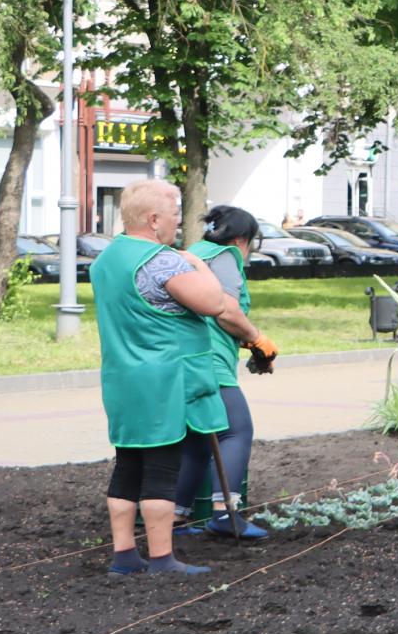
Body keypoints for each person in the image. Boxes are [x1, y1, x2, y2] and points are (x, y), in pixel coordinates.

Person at [91, 179, 256, 577]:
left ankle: (124, 556)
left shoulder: (106, 259)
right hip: (165, 380)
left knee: (127, 467)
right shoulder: (161, 261)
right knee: (161, 471)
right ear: (153, 220)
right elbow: (215, 303)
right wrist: (198, 265)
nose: (178, 222)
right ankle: (162, 559)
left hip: (122, 379)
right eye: (174, 214)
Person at [172, 205, 276, 541]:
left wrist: (249, 345)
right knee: (236, 431)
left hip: (180, 359)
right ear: (243, 239)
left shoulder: (192, 252)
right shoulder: (226, 256)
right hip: (210, 362)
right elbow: (227, 312)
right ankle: (225, 514)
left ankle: (175, 518)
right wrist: (258, 339)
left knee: (199, 441)